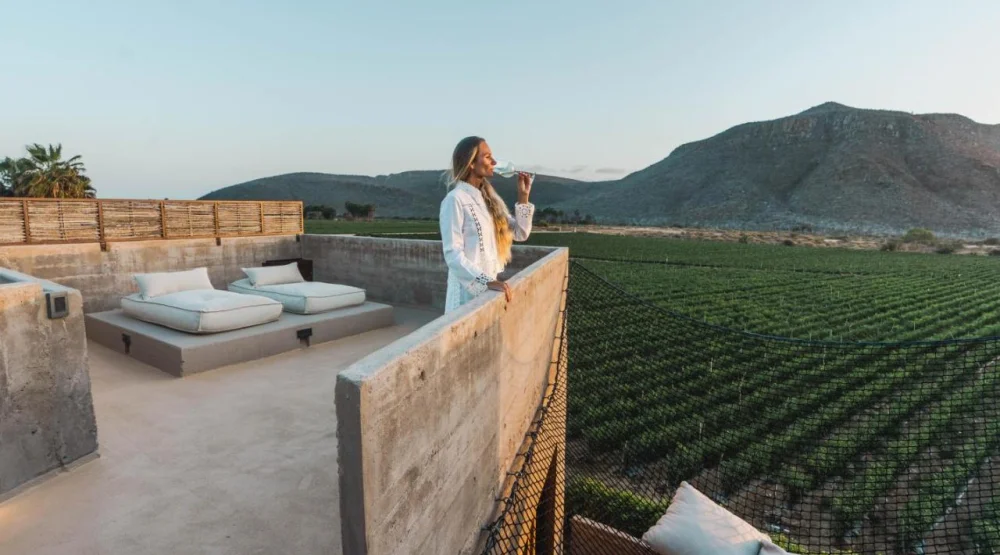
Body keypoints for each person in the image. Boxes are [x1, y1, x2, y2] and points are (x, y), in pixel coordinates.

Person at [439, 136, 535, 313]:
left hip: (489, 290)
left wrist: (523, 196)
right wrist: (485, 282)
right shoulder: (455, 199)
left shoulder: (489, 200)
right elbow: (452, 253)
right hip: (465, 294)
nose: (494, 161)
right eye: (487, 156)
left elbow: (521, 233)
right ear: (471, 163)